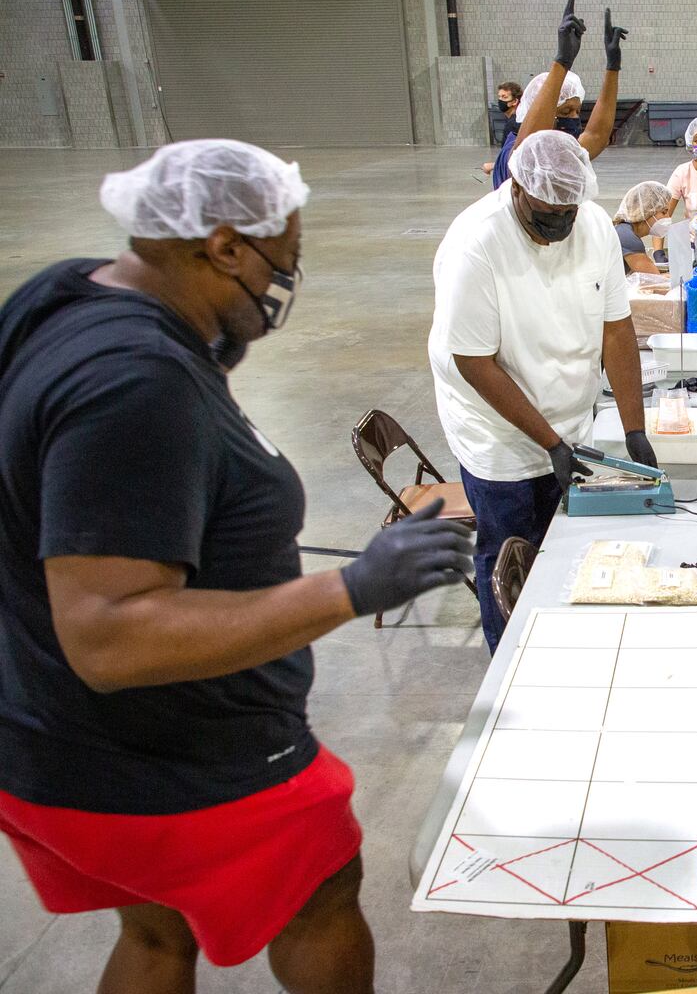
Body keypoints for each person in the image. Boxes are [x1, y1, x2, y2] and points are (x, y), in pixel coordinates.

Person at [0, 139, 474, 993]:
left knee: (156, 929)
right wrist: (351, 586)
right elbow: (109, 636)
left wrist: (201, 359)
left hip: (50, 745)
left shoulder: (70, 295)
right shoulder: (134, 380)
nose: (284, 285)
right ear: (222, 246)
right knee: (321, 894)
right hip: (176, 756)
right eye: (280, 262)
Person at [431, 131, 657, 654]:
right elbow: (474, 362)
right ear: (516, 190)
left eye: (567, 214)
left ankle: (558, 646)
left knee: (561, 545)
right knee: (508, 548)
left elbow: (617, 329)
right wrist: (548, 442)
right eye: (543, 214)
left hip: (569, 417)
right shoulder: (476, 244)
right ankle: (507, 658)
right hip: (498, 432)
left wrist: (634, 427)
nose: (557, 226)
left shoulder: (596, 227)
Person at [488, 0, 626, 190]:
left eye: (577, 111)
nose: (573, 119)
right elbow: (527, 152)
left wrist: (613, 67)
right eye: (565, 112)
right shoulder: (514, 153)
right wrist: (563, 61)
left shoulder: (559, 152)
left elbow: (596, 136)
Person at [614, 180, 672, 275]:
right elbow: (655, 280)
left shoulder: (623, 230)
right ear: (647, 211)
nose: (668, 217)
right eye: (664, 212)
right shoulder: (628, 238)